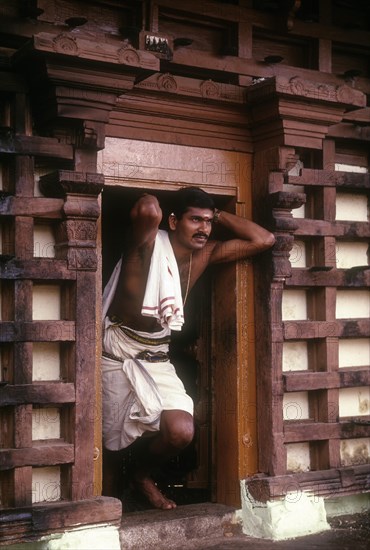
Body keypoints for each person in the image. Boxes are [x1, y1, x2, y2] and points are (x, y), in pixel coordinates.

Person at [101, 186, 275, 510]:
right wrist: (153, 200)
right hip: (116, 351)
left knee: (181, 430)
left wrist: (218, 212)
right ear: (172, 221)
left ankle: (141, 475)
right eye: (195, 219)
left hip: (157, 353)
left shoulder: (204, 255)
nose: (204, 228)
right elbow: (147, 211)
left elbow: (264, 240)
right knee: (107, 438)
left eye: (208, 222)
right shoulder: (146, 245)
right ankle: (107, 495)